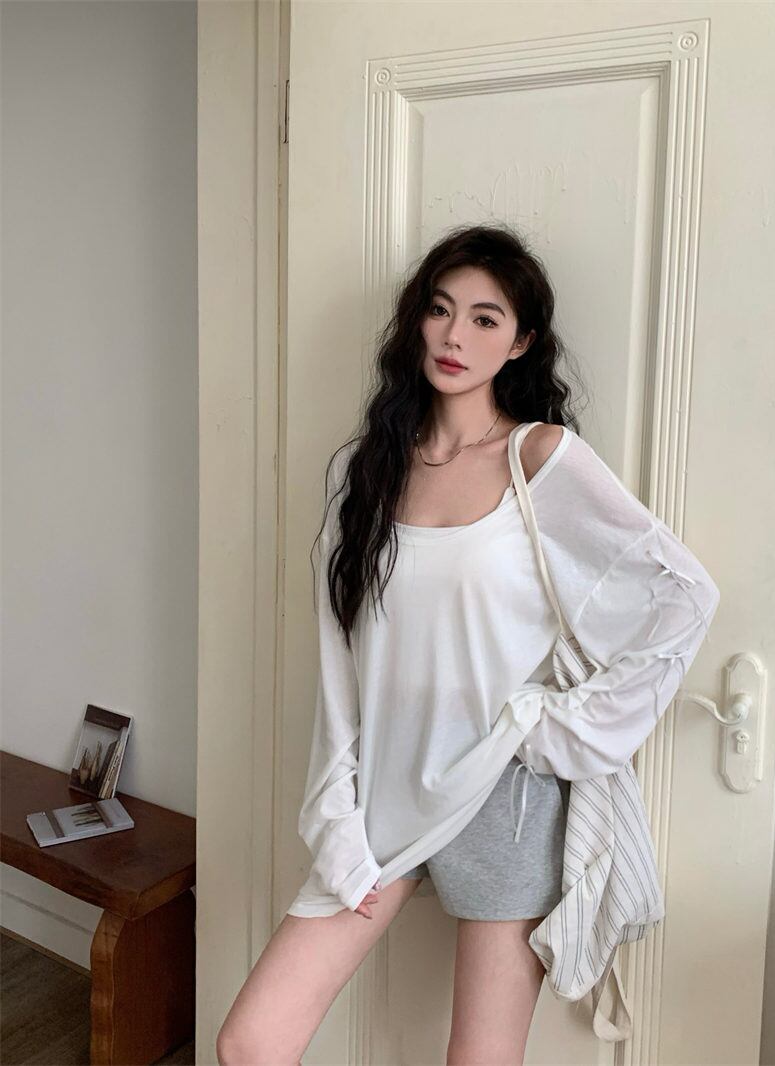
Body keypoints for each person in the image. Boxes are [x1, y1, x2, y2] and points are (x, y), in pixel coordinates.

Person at [216, 223, 719, 1065]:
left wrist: (557, 730)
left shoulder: (539, 458)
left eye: (486, 319)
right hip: (385, 793)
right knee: (250, 1043)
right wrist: (336, 811)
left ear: (520, 342)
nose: (456, 336)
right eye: (441, 310)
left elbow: (682, 596)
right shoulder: (362, 472)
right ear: (416, 319)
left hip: (502, 794)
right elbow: (341, 667)